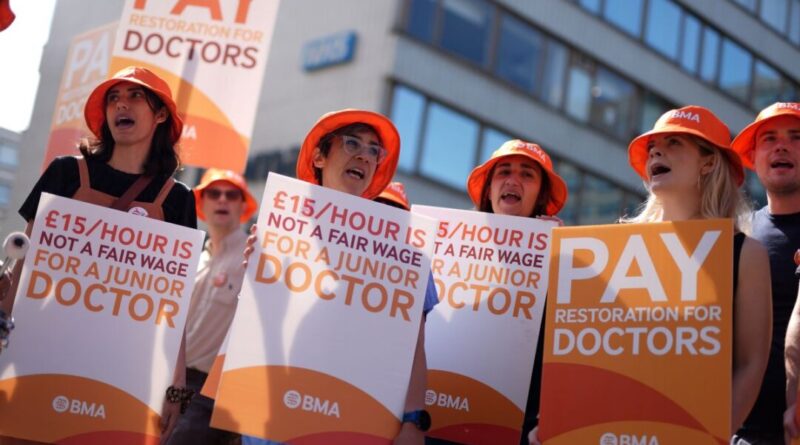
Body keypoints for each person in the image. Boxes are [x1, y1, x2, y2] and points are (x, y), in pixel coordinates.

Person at [529, 105, 772, 445]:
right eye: (654, 146)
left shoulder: (746, 253)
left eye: (674, 143)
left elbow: (750, 364)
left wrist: (709, 436)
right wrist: (557, 420)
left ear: (708, 162)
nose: (656, 150)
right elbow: (586, 349)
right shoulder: (611, 248)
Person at [2, 66, 196, 444]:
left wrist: (175, 385)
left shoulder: (177, 200)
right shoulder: (65, 174)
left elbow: (176, 303)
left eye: (135, 96)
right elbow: (26, 263)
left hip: (122, 372)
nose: (121, 103)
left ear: (160, 115)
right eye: (113, 97)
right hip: (39, 353)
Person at [242, 109, 439, 445]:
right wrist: (255, 276)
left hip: (356, 425)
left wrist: (412, 423)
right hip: (273, 421)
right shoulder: (281, 233)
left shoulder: (406, 255)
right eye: (352, 143)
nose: (364, 155)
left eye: (374, 150)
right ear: (319, 156)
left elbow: (414, 347)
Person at [466, 140, 567, 445]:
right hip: (446, 424)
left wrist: (556, 263)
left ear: (541, 196)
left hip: (519, 431)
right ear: (488, 190)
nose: (512, 180)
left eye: (527, 175)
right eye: (503, 172)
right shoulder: (449, 251)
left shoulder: (562, 262)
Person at [166, 168, 257, 445]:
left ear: (243, 206)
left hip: (211, 393)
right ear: (201, 203)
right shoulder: (194, 259)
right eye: (214, 193)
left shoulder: (254, 258)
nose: (222, 200)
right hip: (173, 381)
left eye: (231, 195)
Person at [729, 102, 800, 445]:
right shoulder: (734, 236)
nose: (782, 145)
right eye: (769, 138)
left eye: (796, 137)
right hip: (739, 433)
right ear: (754, 158)